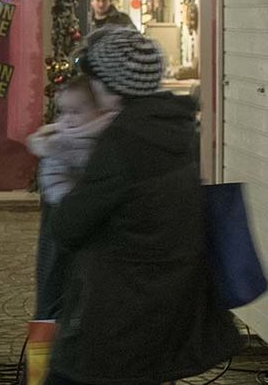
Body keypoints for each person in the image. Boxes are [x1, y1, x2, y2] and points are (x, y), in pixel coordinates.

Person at [46, 28, 240, 385]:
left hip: (117, 308)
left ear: (109, 84)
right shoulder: (174, 128)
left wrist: (58, 174)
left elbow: (68, 227)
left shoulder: (122, 143)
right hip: (161, 301)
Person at [27, 75, 117, 321]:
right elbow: (53, 178)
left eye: (77, 111)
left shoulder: (113, 133)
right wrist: (71, 202)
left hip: (97, 225)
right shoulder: (59, 141)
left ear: (99, 110)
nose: (68, 118)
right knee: (58, 285)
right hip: (68, 216)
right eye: (64, 111)